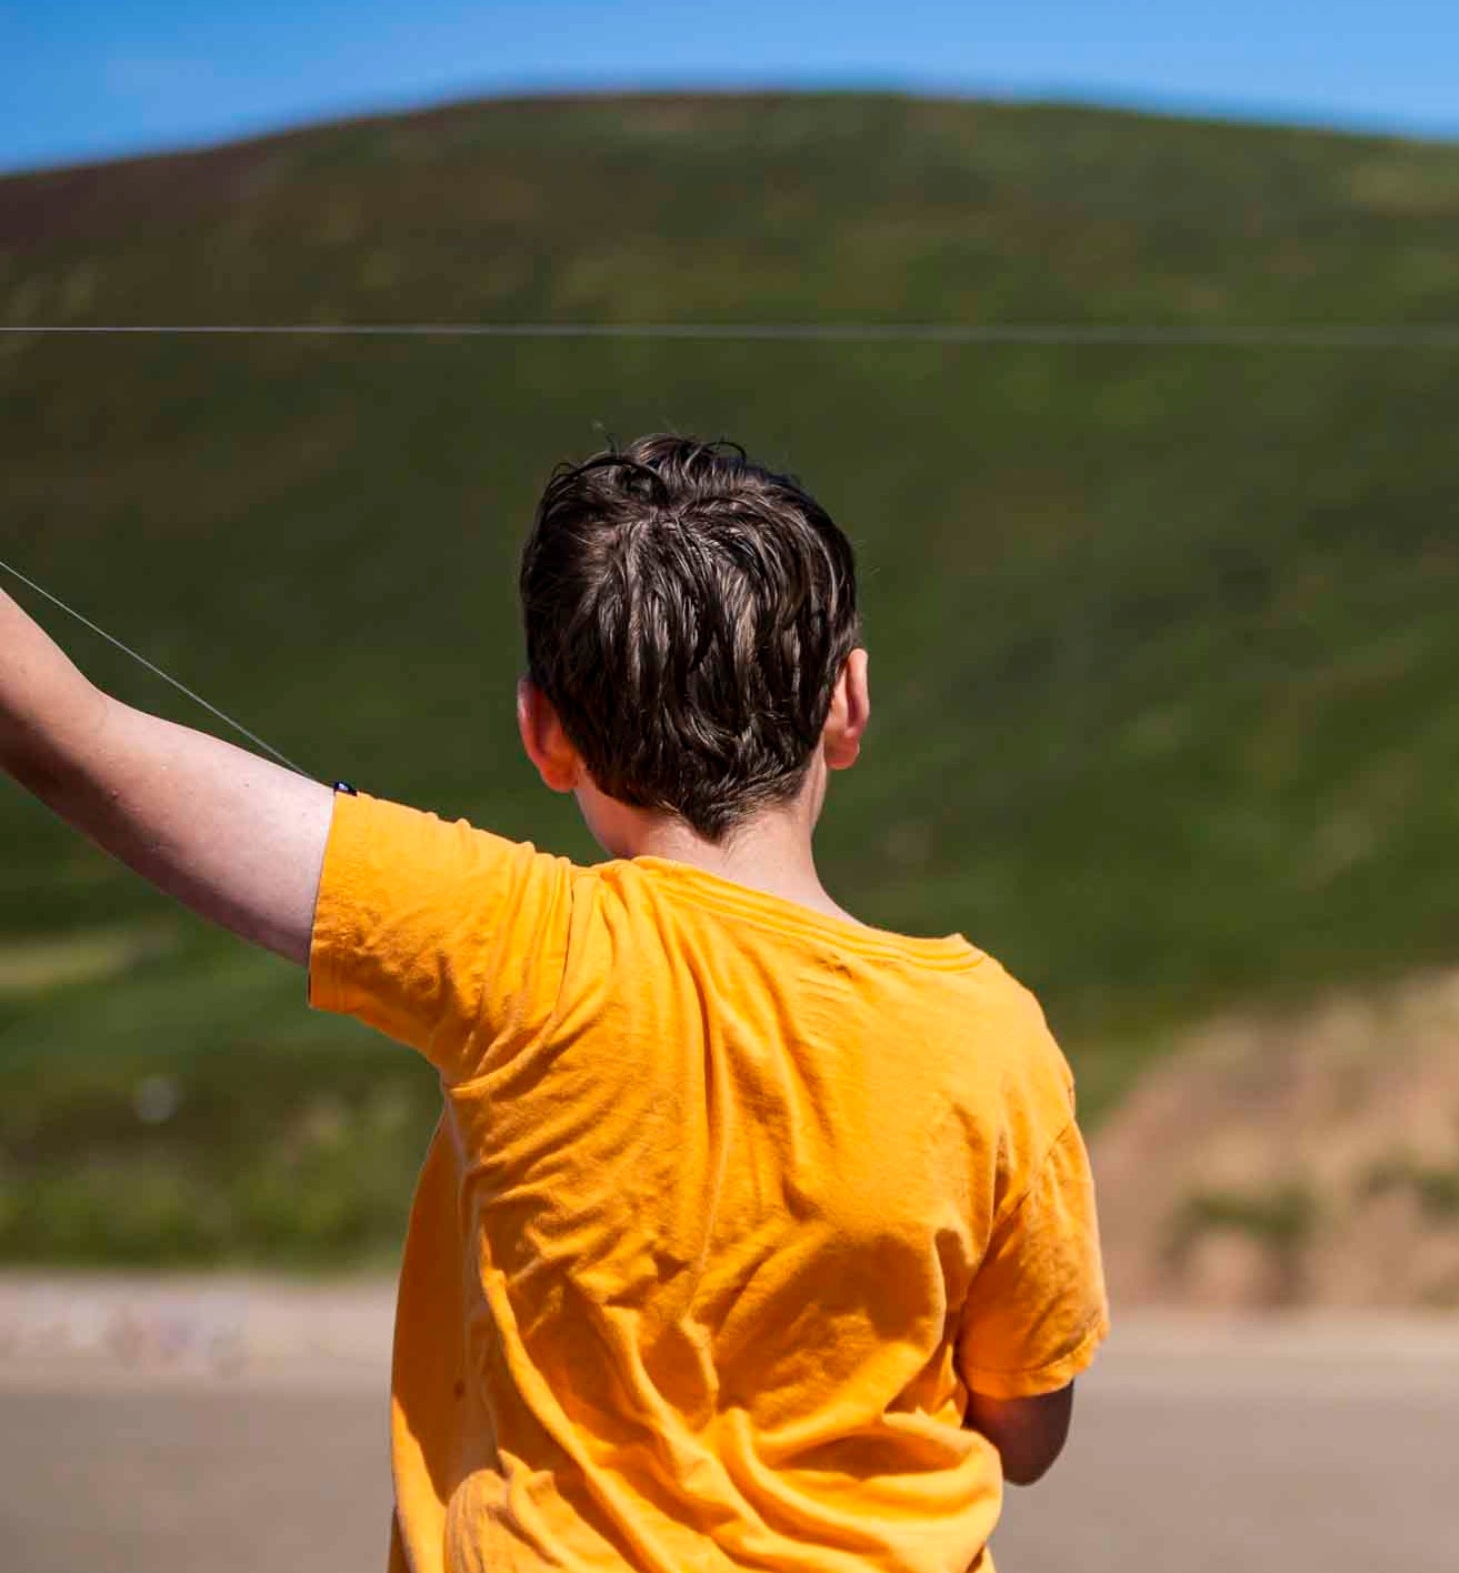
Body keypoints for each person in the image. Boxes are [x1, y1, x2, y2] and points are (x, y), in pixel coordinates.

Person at [0, 437, 1107, 1571]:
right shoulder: (991, 1032)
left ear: (544, 731)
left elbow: (75, 741)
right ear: (850, 702)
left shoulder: (516, 945)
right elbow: (1026, 1428)